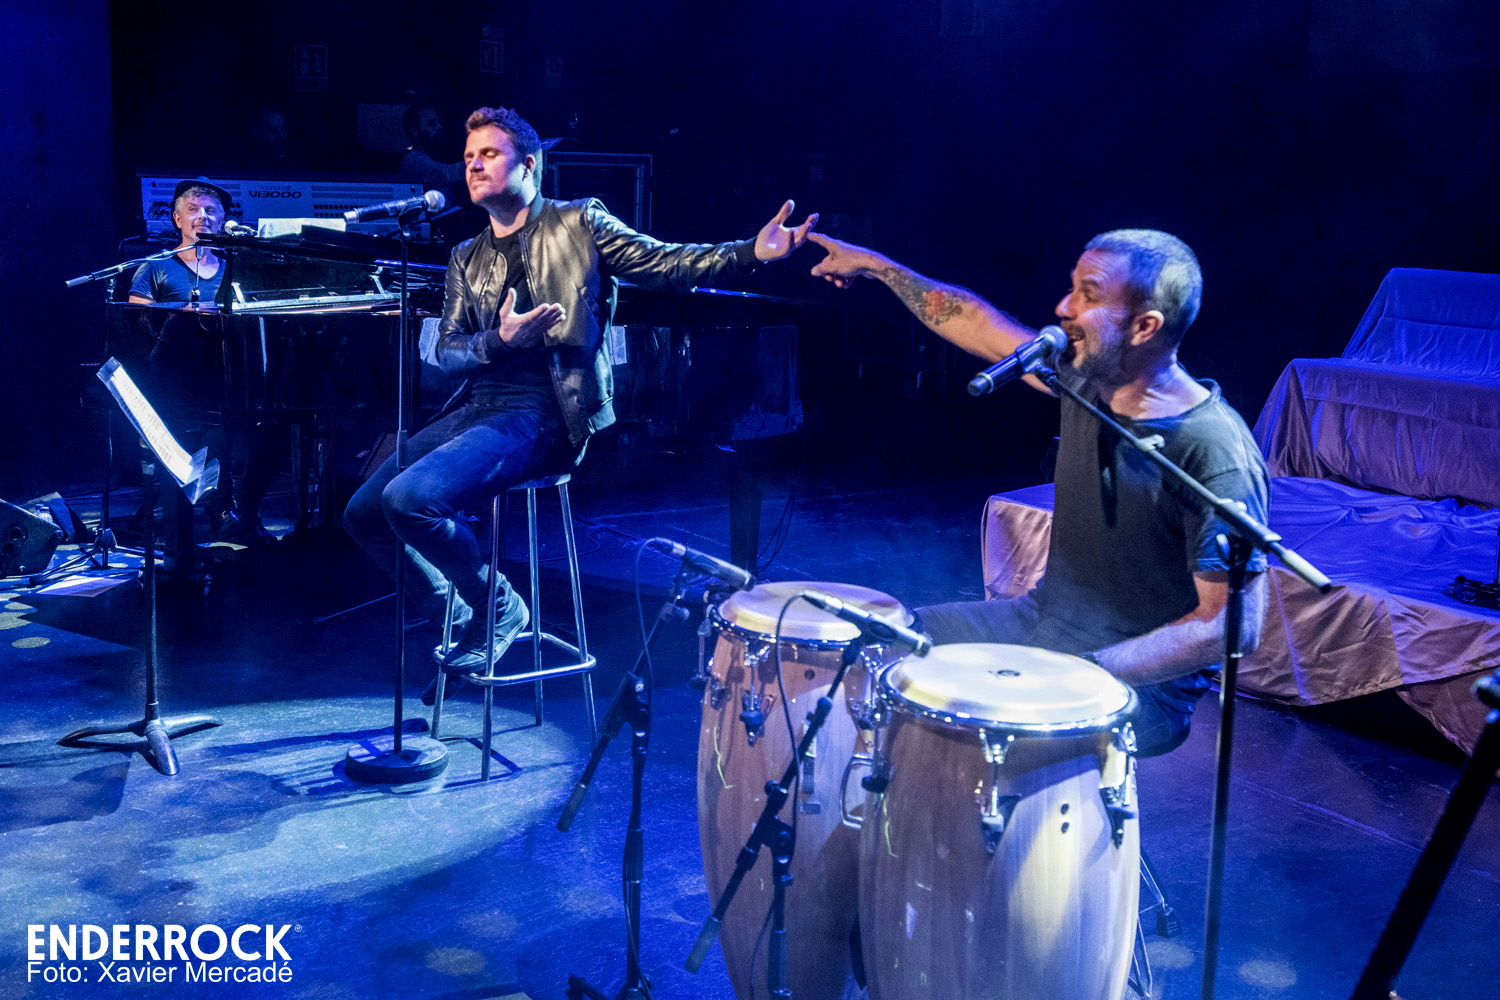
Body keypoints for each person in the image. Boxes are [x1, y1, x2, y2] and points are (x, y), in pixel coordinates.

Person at [344, 105, 818, 698]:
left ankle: (497, 606)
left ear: (530, 164)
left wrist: (750, 251)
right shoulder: (466, 255)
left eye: (488, 154)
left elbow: (666, 263)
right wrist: (500, 340)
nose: (473, 166)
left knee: (409, 499)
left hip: (549, 410)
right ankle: (458, 613)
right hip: (477, 406)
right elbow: (448, 349)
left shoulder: (579, 221)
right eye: (467, 158)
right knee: (364, 513)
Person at [807, 228, 1268, 755]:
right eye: (1072, 288)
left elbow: (1231, 625)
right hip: (1042, 621)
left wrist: (1082, 672)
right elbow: (976, 322)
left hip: (1141, 683)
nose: (1063, 307)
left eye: (1088, 296)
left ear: (1145, 326)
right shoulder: (1088, 376)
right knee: (885, 646)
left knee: (977, 729)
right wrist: (876, 265)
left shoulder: (1215, 451)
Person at [128, 179, 279, 546]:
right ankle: (219, 511)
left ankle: (244, 510)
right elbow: (134, 324)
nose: (203, 217)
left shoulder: (234, 268)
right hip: (173, 381)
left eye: (211, 211)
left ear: (223, 220)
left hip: (229, 377)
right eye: (193, 210)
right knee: (214, 424)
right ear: (177, 219)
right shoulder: (156, 267)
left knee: (274, 425)